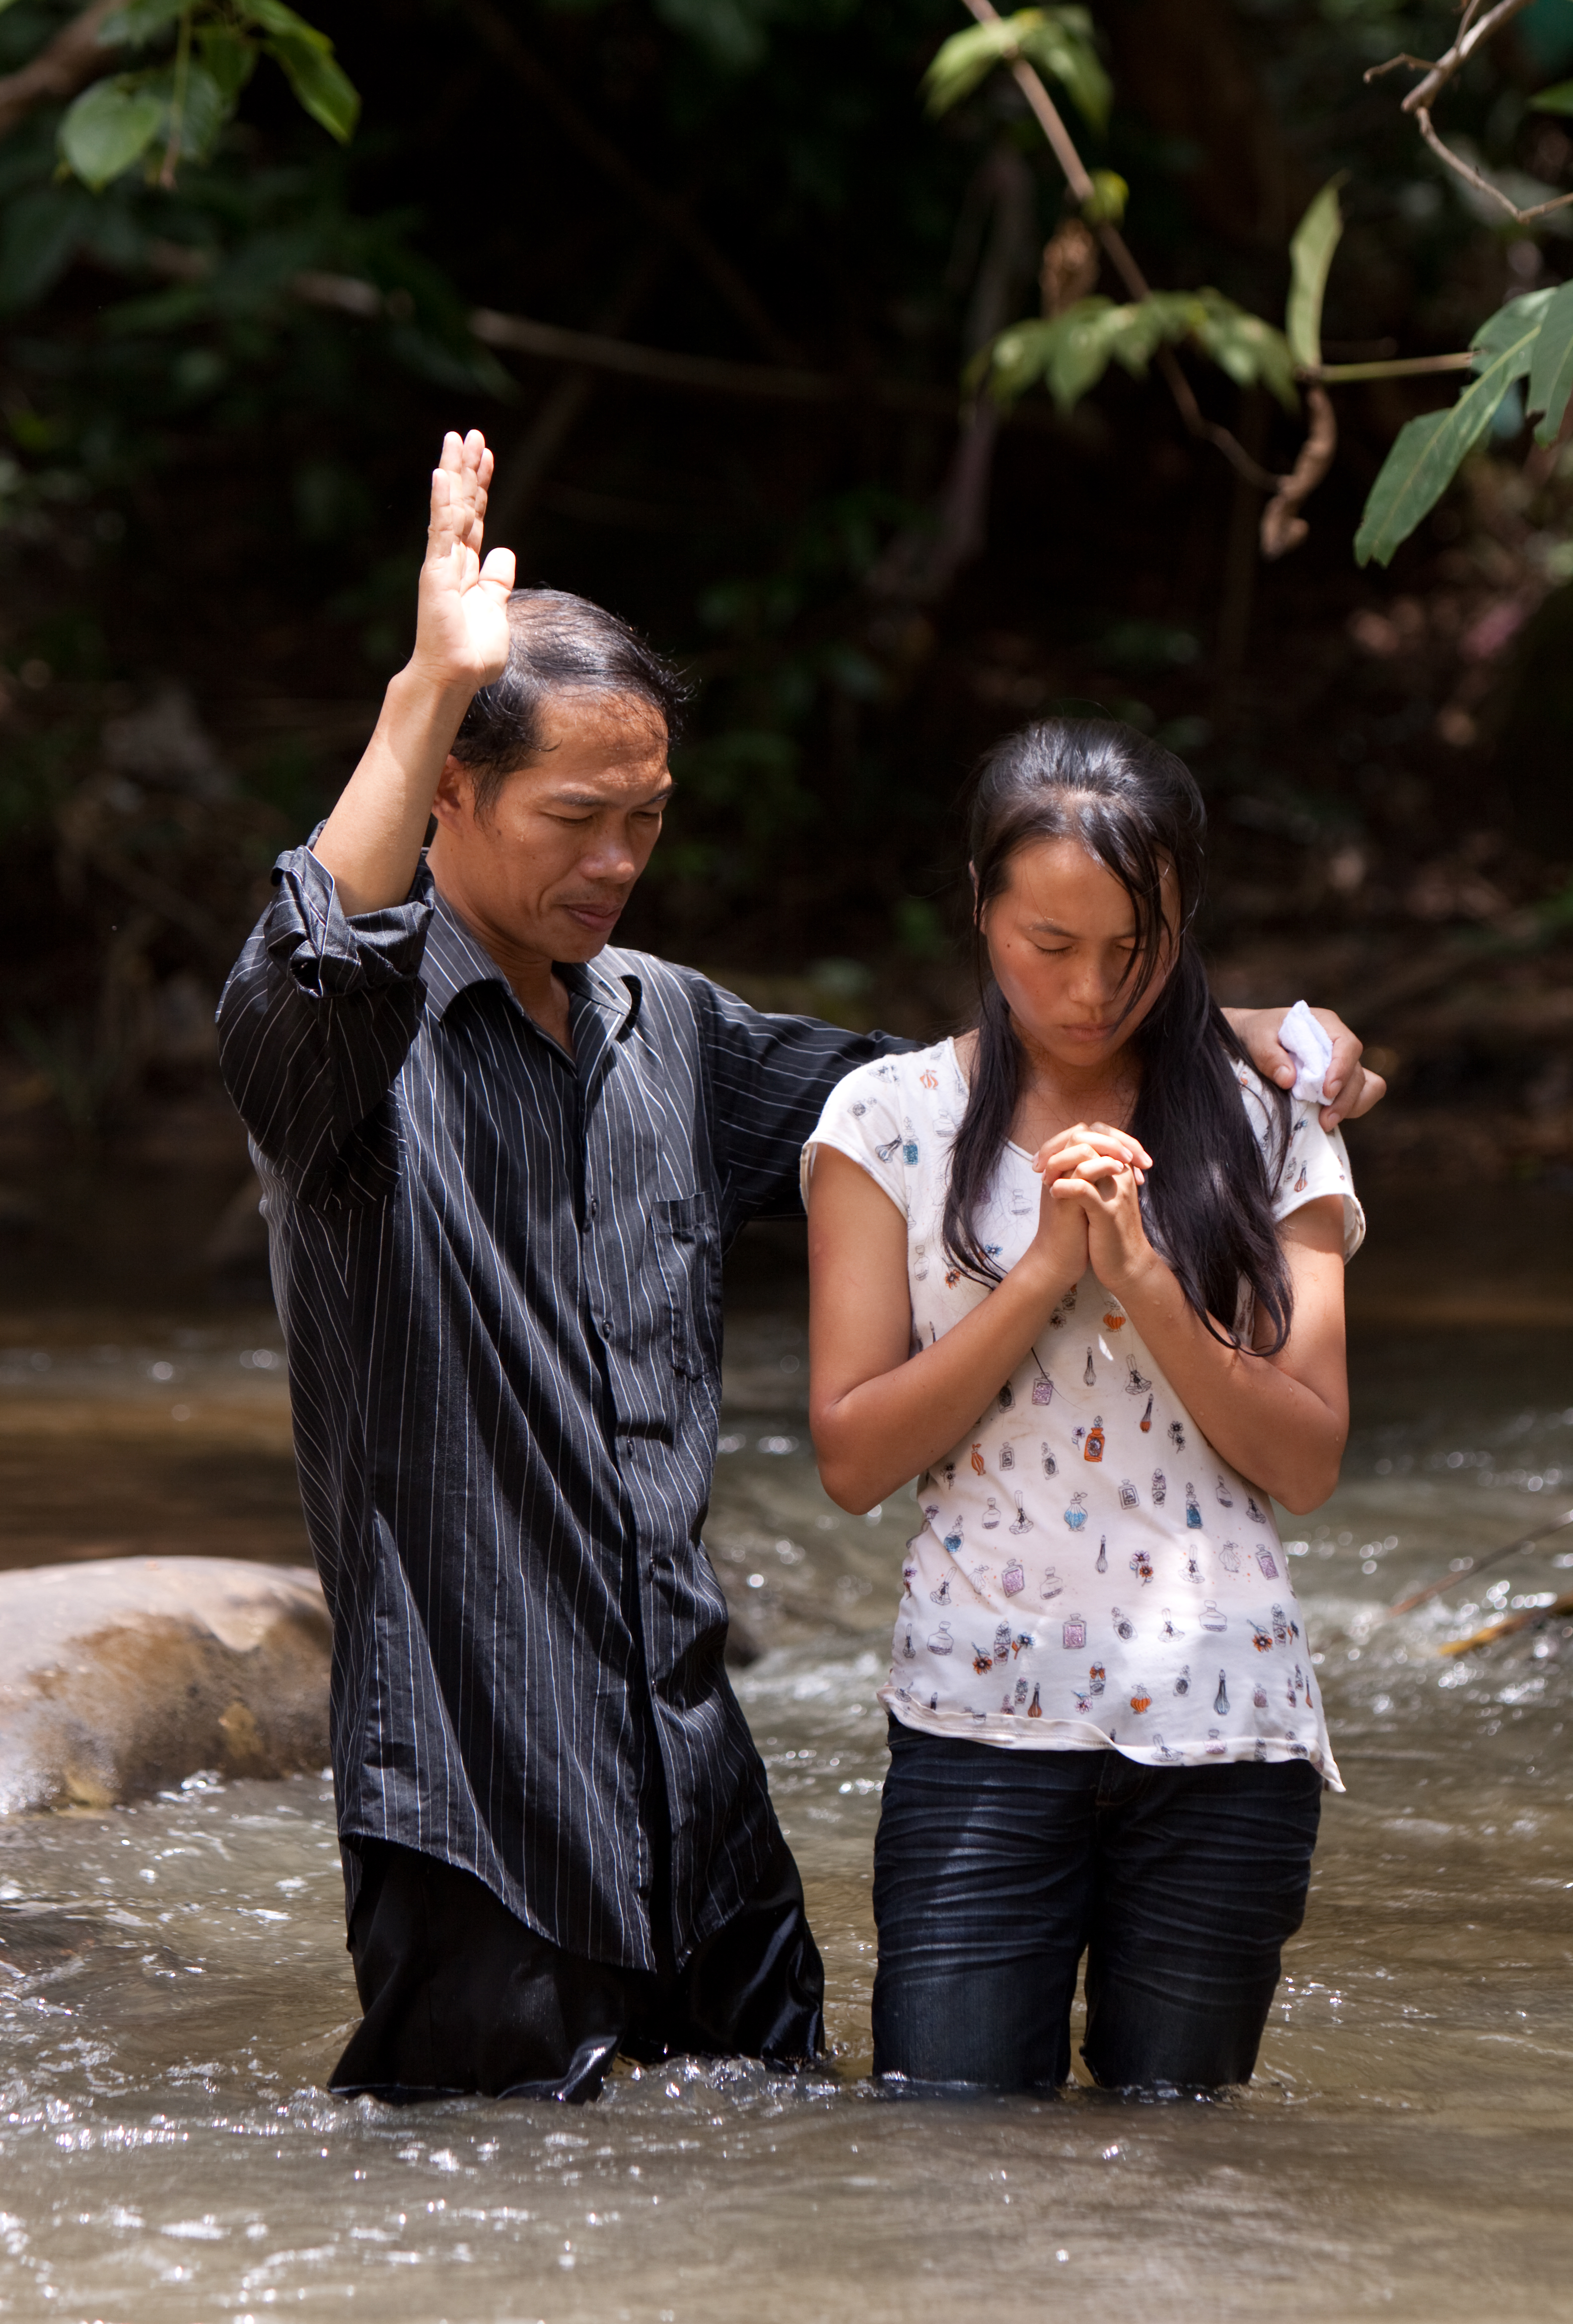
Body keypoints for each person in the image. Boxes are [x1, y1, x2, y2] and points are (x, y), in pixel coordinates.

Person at [218, 429, 1382, 2105]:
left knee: (795, 2167)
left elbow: (954, 1094)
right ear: (452, 793)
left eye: (647, 819)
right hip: (479, 1795)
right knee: (512, 2201)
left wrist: (1225, 1025)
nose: (618, 862)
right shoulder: (354, 1059)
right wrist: (422, 696)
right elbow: (299, 980)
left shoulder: (670, 1030)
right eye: (576, 819)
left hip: (696, 1784)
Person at [802, 716, 1363, 2095]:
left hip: (1227, 1726)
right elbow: (854, 1459)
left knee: (1177, 2168)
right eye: (1050, 945)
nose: (1093, 991)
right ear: (980, 907)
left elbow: (1306, 1460)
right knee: (950, 2148)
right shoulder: (887, 1120)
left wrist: (1146, 1282)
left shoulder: (1272, 1117)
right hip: (978, 1722)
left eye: (1136, 947)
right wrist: (1047, 1270)